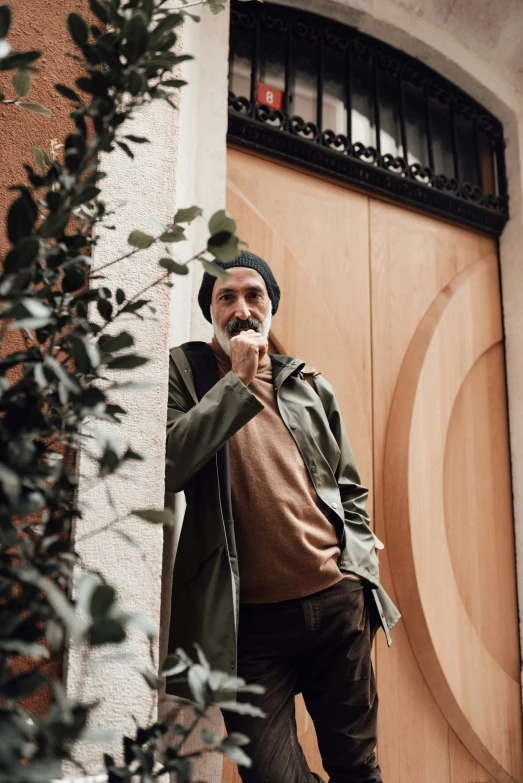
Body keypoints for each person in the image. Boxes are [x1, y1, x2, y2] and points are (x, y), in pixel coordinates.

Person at [165, 250, 400, 783]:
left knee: (357, 769)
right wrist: (237, 383)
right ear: (210, 309)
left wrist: (358, 574)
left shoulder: (310, 384)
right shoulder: (185, 373)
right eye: (226, 296)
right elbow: (169, 463)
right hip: (248, 626)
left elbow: (350, 488)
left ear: (271, 308)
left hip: (335, 604)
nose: (241, 308)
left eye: (255, 296)